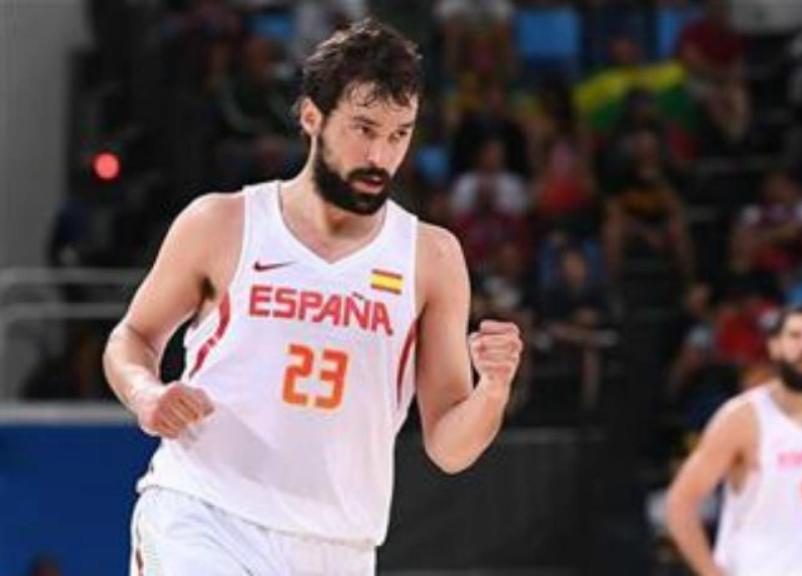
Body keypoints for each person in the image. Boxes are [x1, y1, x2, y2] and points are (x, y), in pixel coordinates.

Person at [102, 20, 523, 575]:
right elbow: (131, 338)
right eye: (364, 128)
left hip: (338, 546)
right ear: (311, 118)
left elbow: (449, 447)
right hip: (205, 513)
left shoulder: (432, 257)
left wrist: (492, 390)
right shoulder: (223, 222)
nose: (381, 154)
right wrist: (145, 394)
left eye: (400, 134)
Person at [666, 306, 802, 576]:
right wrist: (710, 572)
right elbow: (680, 503)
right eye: (795, 336)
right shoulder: (742, 418)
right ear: (775, 347)